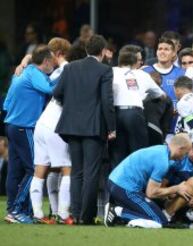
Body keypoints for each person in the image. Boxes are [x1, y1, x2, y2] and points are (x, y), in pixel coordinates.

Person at [53, 34, 116, 225]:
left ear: (87, 49)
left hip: (71, 126)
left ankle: (76, 213)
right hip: (93, 127)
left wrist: (72, 108)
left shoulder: (70, 67)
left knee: (76, 172)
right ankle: (85, 217)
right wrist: (111, 127)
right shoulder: (105, 70)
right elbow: (107, 101)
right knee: (91, 172)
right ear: (103, 51)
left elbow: (57, 93)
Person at [3, 45, 56, 224]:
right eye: (53, 63)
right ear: (47, 61)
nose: (54, 66)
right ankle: (17, 210)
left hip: (12, 124)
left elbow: (6, 103)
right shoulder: (34, 74)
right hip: (23, 127)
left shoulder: (21, 72)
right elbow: (50, 89)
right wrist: (66, 77)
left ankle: (13, 209)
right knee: (34, 169)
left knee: (15, 170)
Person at [28, 38, 73, 225]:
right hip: (56, 124)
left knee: (40, 169)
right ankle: (63, 214)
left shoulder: (53, 73)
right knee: (67, 169)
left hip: (42, 124)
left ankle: (38, 214)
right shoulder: (69, 69)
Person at [104, 133, 192, 228]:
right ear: (180, 148)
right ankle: (117, 213)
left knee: (156, 216)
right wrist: (176, 189)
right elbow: (151, 193)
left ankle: (122, 214)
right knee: (159, 221)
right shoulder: (163, 162)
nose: (184, 157)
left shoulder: (161, 150)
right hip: (124, 188)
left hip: (114, 182)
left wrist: (169, 193)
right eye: (186, 153)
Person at [110, 50, 164, 168]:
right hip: (135, 113)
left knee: (118, 154)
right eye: (140, 60)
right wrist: (142, 97)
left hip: (115, 114)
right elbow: (160, 95)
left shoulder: (111, 72)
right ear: (135, 62)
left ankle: (116, 185)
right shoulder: (142, 74)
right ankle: (138, 185)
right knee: (139, 153)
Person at [143, 38, 185, 140]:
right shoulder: (144, 71)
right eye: (160, 48)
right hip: (148, 126)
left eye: (166, 49)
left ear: (174, 53)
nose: (162, 51)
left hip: (174, 129)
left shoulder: (182, 73)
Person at [143, 71, 174, 146]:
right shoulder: (167, 98)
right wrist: (162, 137)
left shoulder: (140, 95)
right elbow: (166, 123)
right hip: (157, 131)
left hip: (141, 130)